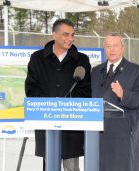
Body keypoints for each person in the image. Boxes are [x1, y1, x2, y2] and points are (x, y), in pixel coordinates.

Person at [25, 19, 91, 171]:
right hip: (47, 123)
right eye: (65, 34)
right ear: (54, 34)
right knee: (50, 165)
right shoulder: (37, 58)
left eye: (72, 35)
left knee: (71, 167)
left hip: (72, 123)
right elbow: (31, 89)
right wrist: (51, 105)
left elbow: (86, 90)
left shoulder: (82, 60)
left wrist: (67, 106)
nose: (70, 38)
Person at [91, 33, 139, 171]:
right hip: (98, 134)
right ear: (104, 48)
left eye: (115, 46)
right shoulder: (95, 71)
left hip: (123, 135)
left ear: (123, 48)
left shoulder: (136, 70)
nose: (112, 49)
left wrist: (123, 94)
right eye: (108, 46)